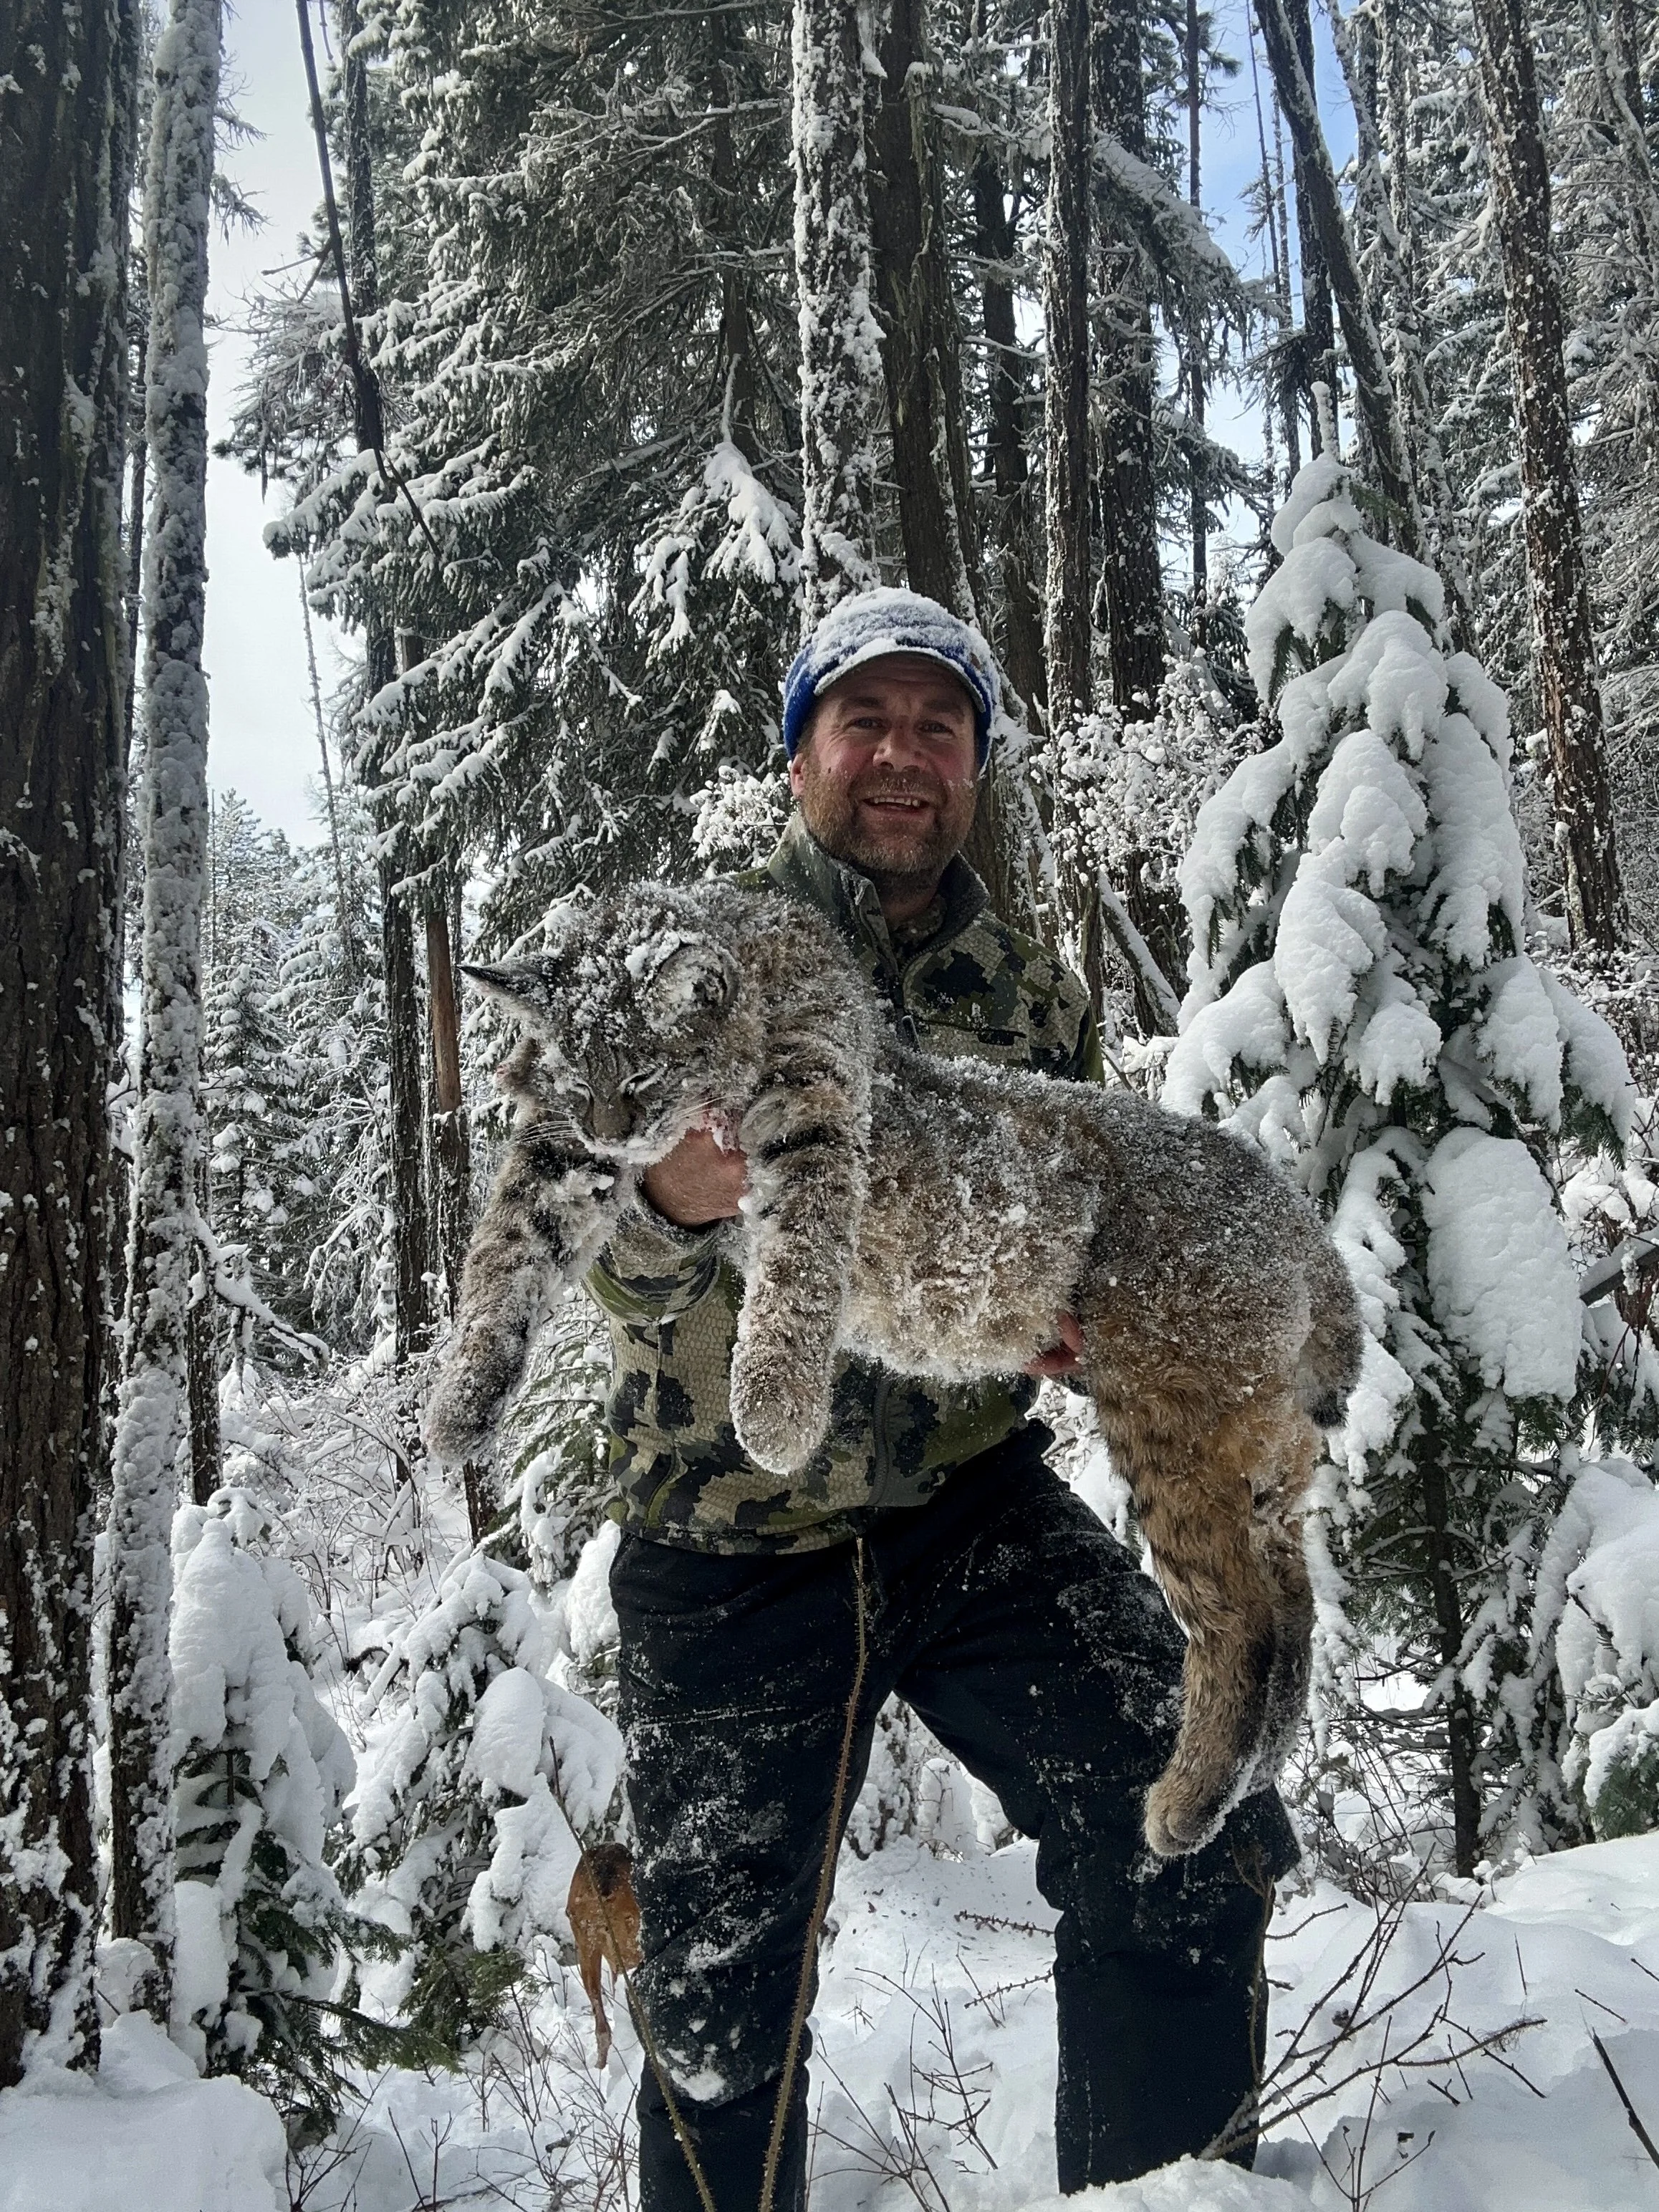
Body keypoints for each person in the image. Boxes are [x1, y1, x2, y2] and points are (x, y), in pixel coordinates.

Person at [587, 587, 1297, 2209]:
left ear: (975, 765)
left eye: (941, 726)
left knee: (1192, 1835)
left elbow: (1082, 1209)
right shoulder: (685, 962)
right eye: (867, 721)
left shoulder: (1029, 990)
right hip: (728, 1539)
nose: (904, 757)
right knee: (719, 2018)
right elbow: (589, 1260)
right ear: (799, 757)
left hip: (972, 1505)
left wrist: (1091, 1317)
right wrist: (673, 1209)